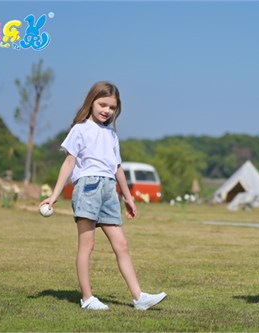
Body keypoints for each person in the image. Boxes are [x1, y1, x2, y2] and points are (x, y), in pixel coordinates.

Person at [39, 81, 167, 311]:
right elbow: (69, 163)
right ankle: (87, 298)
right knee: (87, 245)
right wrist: (54, 195)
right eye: (102, 104)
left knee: (122, 244)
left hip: (110, 191)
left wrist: (127, 196)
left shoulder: (111, 134)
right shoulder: (80, 129)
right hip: (88, 187)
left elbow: (117, 167)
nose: (106, 110)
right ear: (91, 102)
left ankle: (139, 298)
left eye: (112, 107)